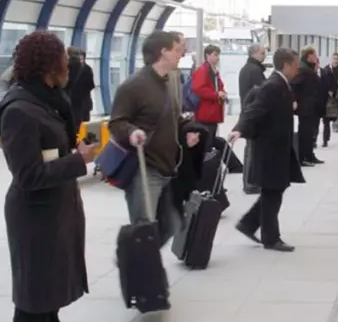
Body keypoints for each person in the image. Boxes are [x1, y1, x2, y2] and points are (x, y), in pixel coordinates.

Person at [0, 31, 98, 322]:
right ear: (50, 65)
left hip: (56, 210)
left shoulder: (46, 101)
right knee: (33, 302)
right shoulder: (19, 110)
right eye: (64, 59)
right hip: (34, 216)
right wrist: (78, 160)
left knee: (51, 298)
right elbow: (28, 175)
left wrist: (73, 156)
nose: (70, 66)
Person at [109, 31, 203, 246]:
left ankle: (137, 255)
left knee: (171, 223)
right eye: (177, 50)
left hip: (166, 166)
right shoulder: (133, 86)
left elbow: (173, 118)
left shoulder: (168, 83)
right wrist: (132, 131)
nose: (182, 54)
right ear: (163, 52)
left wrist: (187, 130)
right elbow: (117, 122)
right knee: (145, 226)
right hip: (144, 168)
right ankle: (137, 263)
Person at [228, 48, 303, 251]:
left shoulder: (281, 83)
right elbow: (255, 108)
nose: (298, 68)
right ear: (285, 65)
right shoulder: (273, 85)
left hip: (277, 146)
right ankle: (271, 238)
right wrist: (239, 129)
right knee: (273, 191)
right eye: (295, 64)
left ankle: (249, 223)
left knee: (275, 189)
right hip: (271, 149)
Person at [238, 44, 268, 194]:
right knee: (252, 150)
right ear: (254, 53)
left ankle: (251, 182)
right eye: (262, 53)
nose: (264, 55)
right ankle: (250, 183)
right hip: (253, 114)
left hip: (248, 112)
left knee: (251, 149)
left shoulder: (247, 68)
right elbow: (261, 93)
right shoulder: (255, 70)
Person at [290, 46, 324, 166]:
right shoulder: (303, 70)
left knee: (310, 132)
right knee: (305, 132)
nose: (316, 57)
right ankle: (303, 156)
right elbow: (293, 85)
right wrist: (295, 100)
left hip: (311, 106)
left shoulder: (308, 68)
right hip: (306, 106)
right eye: (314, 55)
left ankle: (309, 155)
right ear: (309, 56)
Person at [189, 45, 227, 141]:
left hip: (212, 112)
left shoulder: (214, 71)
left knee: (211, 139)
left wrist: (222, 92)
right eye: (215, 55)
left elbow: (219, 86)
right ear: (207, 55)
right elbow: (198, 89)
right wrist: (216, 94)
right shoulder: (202, 70)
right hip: (205, 113)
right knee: (207, 141)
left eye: (218, 55)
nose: (217, 57)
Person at [320, 51, 338, 146]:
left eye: (337, 58)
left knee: (337, 108)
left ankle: (336, 125)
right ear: (331, 59)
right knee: (328, 110)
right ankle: (328, 129)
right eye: (334, 58)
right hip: (328, 93)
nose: (335, 60)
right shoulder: (327, 69)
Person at [64, 47, 96, 124]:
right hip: (84, 102)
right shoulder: (88, 69)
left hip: (71, 101)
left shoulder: (66, 68)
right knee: (84, 125)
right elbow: (91, 85)